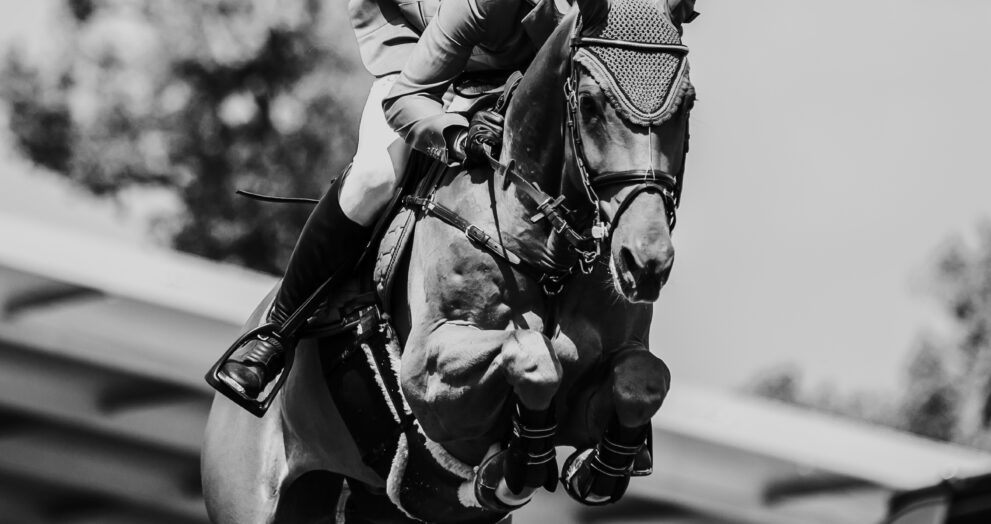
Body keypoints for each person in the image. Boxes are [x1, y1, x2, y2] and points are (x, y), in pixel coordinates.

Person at [213, 0, 569, 406]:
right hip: (418, 75)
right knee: (374, 178)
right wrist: (454, 135)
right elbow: (412, 91)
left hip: (518, 83)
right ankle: (277, 330)